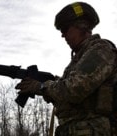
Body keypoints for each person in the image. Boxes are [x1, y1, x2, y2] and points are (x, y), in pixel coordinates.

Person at [15, 2, 117, 136]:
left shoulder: (101, 49)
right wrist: (44, 87)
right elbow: (66, 94)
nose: (63, 35)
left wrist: (41, 86)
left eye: (65, 29)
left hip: (94, 129)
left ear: (82, 26)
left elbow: (75, 88)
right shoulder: (77, 60)